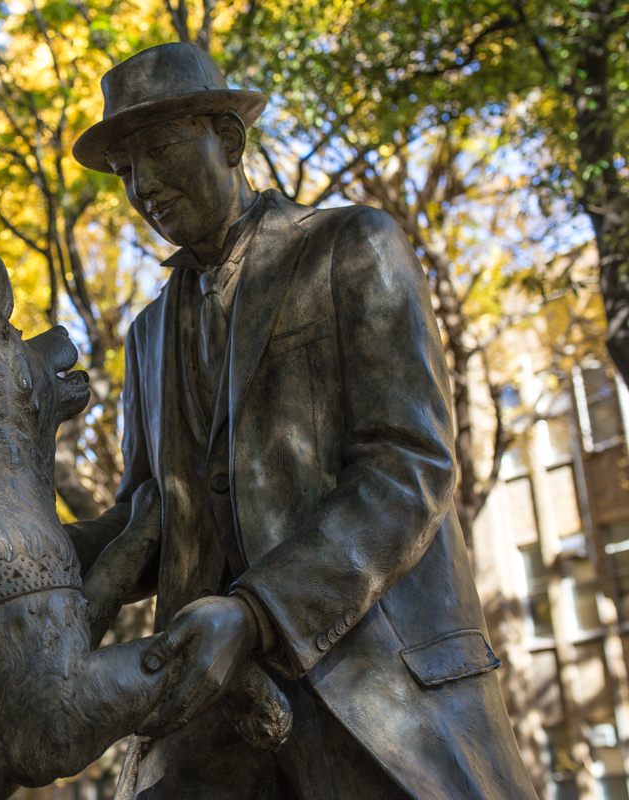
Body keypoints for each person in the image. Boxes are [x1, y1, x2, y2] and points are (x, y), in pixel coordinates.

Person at [67, 42, 536, 799]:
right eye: (125, 172)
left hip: (377, 701)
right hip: (204, 730)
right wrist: (22, 555)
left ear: (228, 139)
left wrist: (256, 614)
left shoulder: (352, 246)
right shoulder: (146, 336)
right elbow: (147, 520)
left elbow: (409, 465)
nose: (142, 186)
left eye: (156, 151)